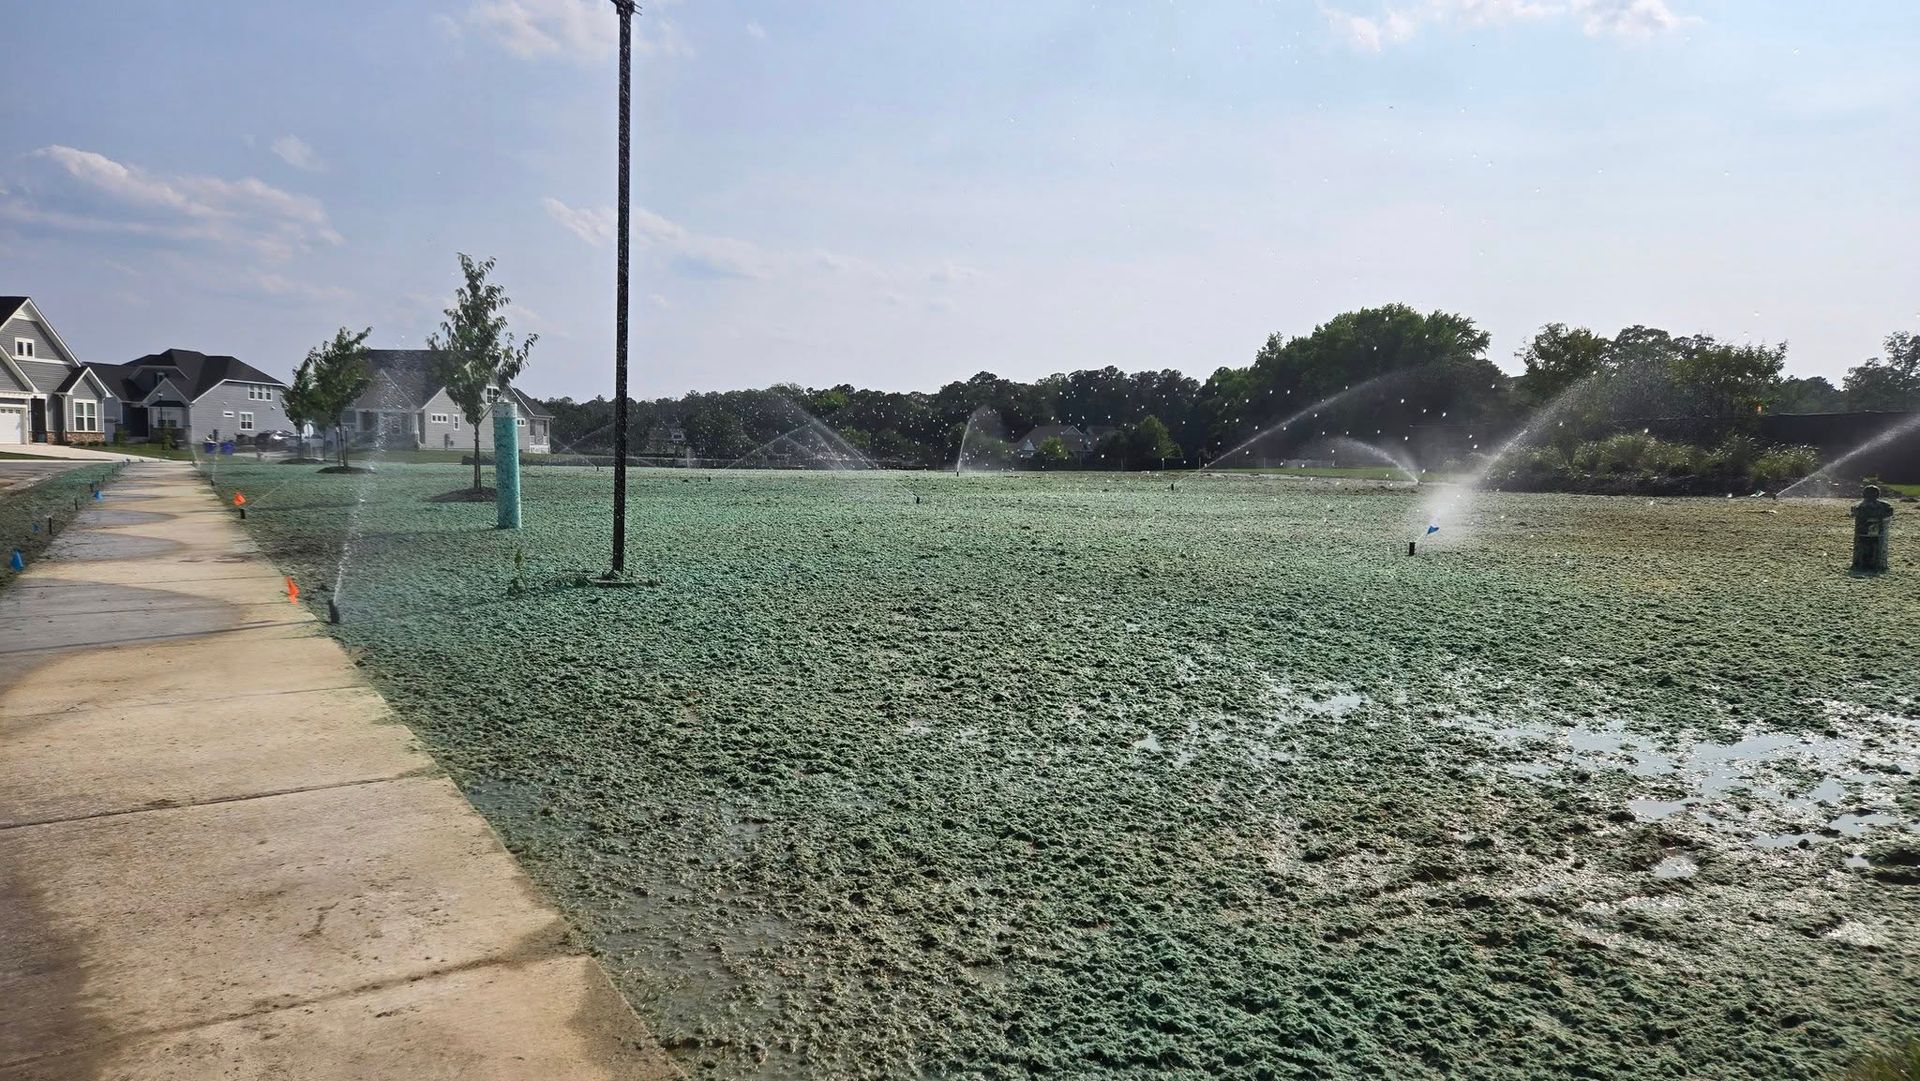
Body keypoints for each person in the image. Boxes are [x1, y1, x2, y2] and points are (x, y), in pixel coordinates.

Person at [1850, 484, 1894, 573]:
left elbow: (1855, 511)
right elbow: (1889, 511)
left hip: (1861, 532)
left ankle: (1860, 563)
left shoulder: (1859, 506)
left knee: (1863, 544)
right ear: (1878, 494)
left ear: (1864, 494)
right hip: (1878, 533)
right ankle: (1877, 564)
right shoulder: (1884, 506)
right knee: (1875, 545)